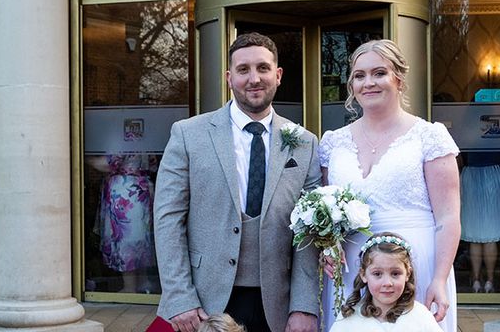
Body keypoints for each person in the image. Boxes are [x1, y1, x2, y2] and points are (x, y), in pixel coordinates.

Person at [154, 32, 321, 332]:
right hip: (204, 302)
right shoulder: (188, 134)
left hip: (277, 304)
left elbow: (307, 235)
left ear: (278, 75)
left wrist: (304, 305)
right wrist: (179, 297)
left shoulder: (304, 143)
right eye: (243, 70)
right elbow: (168, 219)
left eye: (263, 68)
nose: (254, 78)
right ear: (229, 78)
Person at [320, 39, 460, 332]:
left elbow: (448, 218)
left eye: (379, 73)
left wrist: (438, 277)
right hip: (352, 270)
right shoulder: (333, 142)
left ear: (399, 78)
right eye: (359, 76)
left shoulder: (428, 137)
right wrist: (326, 247)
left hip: (413, 266)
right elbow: (325, 212)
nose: (368, 82)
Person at [330, 233, 441, 332]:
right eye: (377, 274)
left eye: (395, 274)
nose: (387, 283)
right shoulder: (350, 317)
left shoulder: (420, 316)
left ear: (407, 274)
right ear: (363, 275)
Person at [87, 153, 158, 293]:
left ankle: (130, 287)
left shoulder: (124, 136)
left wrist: (83, 157)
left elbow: (109, 162)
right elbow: (153, 163)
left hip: (126, 192)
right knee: (139, 238)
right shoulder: (145, 135)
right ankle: (143, 282)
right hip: (140, 188)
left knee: (127, 239)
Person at [460, 149, 500, 293]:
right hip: (493, 174)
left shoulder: (467, 130)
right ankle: (490, 280)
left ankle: (476, 280)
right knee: (490, 237)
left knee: (475, 238)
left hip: (471, 174)